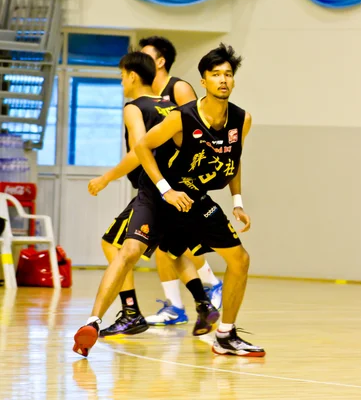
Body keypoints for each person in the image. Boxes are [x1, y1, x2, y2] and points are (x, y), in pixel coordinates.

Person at [73, 51, 218, 357]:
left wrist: (106, 178)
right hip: (180, 189)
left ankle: (128, 313)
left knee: (114, 246)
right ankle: (204, 305)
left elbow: (140, 148)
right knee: (171, 249)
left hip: (154, 192)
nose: (121, 81)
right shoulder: (169, 106)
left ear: (132, 76)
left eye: (122, 75)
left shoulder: (134, 108)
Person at [135, 43, 265, 357]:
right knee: (131, 251)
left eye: (228, 74)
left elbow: (234, 160)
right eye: (215, 74)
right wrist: (165, 188)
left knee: (238, 261)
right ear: (203, 81)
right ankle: (110, 317)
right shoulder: (183, 117)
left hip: (198, 198)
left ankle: (224, 332)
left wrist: (238, 201)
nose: (223, 80)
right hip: (168, 196)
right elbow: (142, 147)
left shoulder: (241, 119)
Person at [139, 36, 223, 323]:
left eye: (146, 55)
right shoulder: (145, 95)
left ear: (160, 61)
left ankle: (210, 282)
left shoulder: (179, 88)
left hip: (180, 179)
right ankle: (175, 307)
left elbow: (198, 127)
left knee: (176, 242)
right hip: (156, 176)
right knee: (164, 248)